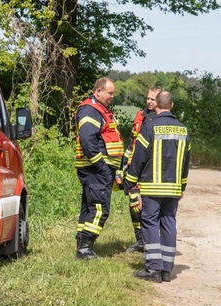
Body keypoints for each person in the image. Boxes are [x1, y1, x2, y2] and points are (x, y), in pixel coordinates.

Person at [124, 90, 190, 283]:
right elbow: (186, 162)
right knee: (169, 222)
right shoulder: (183, 130)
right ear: (172, 105)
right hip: (173, 188)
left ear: (157, 105)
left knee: (150, 222)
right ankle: (167, 270)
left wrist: (130, 181)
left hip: (152, 187)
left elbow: (139, 158)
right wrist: (182, 187)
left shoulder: (150, 127)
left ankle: (154, 269)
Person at [73, 77, 124, 260]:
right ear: (98, 91)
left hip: (96, 168)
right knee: (100, 207)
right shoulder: (90, 110)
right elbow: (88, 140)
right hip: (95, 168)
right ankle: (85, 247)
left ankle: (82, 245)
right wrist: (101, 166)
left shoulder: (100, 110)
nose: (112, 96)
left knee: (89, 206)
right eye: (110, 93)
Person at [120, 87, 162, 254]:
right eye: (148, 98)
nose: (149, 102)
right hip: (134, 166)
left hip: (150, 168)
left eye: (153, 99)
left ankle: (150, 240)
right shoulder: (140, 115)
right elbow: (133, 141)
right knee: (134, 205)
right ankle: (140, 241)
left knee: (149, 207)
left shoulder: (160, 119)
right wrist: (125, 161)